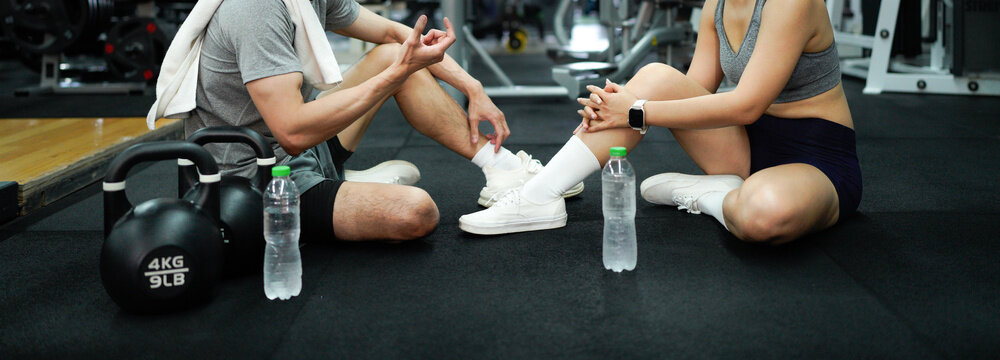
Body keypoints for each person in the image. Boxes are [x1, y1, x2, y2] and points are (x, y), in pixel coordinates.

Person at [459, 0, 861, 245]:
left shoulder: (792, 2)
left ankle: (711, 198)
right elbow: (690, 90)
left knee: (764, 216)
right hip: (745, 147)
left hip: (817, 157)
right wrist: (623, 104)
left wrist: (636, 111)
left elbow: (746, 106)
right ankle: (537, 197)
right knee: (655, 75)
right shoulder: (715, 6)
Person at [182, 0, 582, 242]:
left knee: (393, 53)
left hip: (303, 148)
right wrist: (396, 75)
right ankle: (340, 188)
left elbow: (395, 33)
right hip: (262, 179)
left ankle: (503, 170)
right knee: (415, 212)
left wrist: (473, 87)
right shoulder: (256, 10)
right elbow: (291, 131)